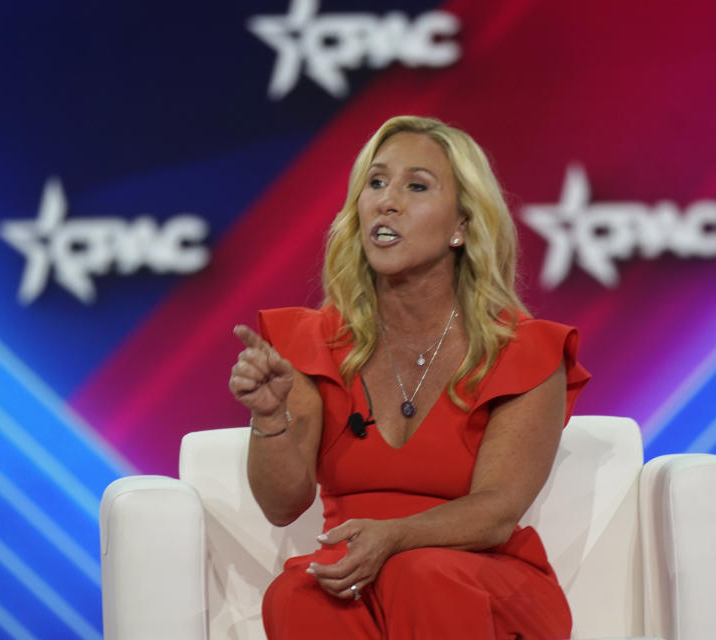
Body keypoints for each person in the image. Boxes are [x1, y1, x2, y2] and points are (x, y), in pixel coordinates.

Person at [229, 115, 591, 639]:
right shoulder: (313, 343)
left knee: (418, 573)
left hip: (480, 581)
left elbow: (496, 512)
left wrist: (395, 538)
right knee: (298, 595)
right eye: (376, 183)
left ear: (462, 226)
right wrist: (269, 417)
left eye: (416, 187)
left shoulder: (523, 350)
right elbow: (282, 506)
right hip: (356, 581)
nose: (386, 201)